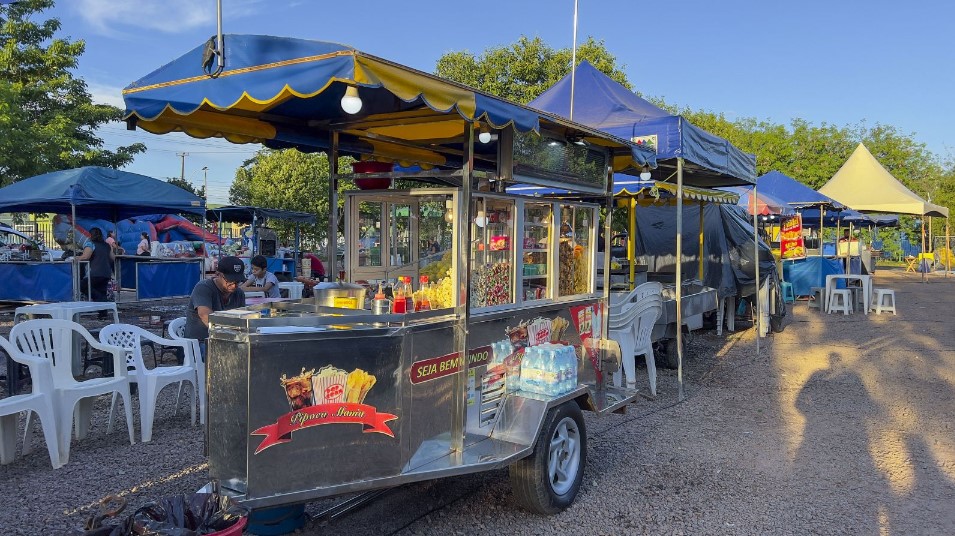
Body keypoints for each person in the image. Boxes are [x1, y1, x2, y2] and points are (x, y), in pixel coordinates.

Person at [184, 255, 247, 358]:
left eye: (237, 281)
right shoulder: (203, 287)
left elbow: (242, 319)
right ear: (218, 274)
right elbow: (206, 316)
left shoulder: (239, 293)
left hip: (226, 341)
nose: (234, 285)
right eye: (230, 281)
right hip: (199, 343)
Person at [75, 227, 116, 308]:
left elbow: (85, 257)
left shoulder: (90, 244)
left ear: (90, 235)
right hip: (106, 273)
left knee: (82, 286)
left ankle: (100, 299)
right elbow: (113, 257)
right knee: (101, 291)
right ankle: (103, 312)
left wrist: (75, 258)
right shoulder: (106, 245)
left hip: (94, 272)